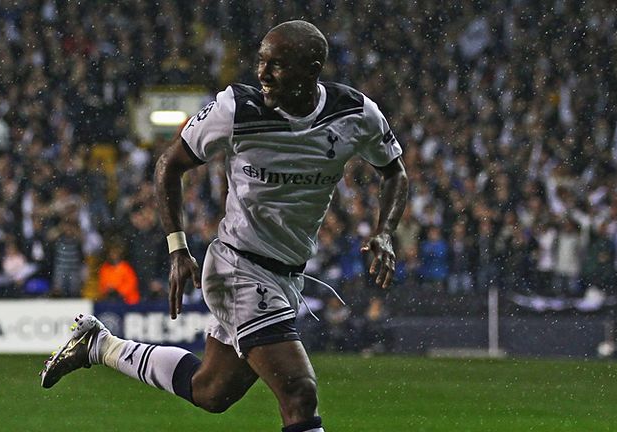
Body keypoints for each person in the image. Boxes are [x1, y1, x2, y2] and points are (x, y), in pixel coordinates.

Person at [40, 20, 408, 432]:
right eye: (261, 62)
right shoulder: (237, 110)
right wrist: (178, 249)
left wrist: (385, 230)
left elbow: (394, 171)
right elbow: (169, 165)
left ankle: (99, 345)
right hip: (240, 267)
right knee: (299, 392)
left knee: (211, 391)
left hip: (287, 275)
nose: (263, 74)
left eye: (278, 65)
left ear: (312, 69)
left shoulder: (355, 113)